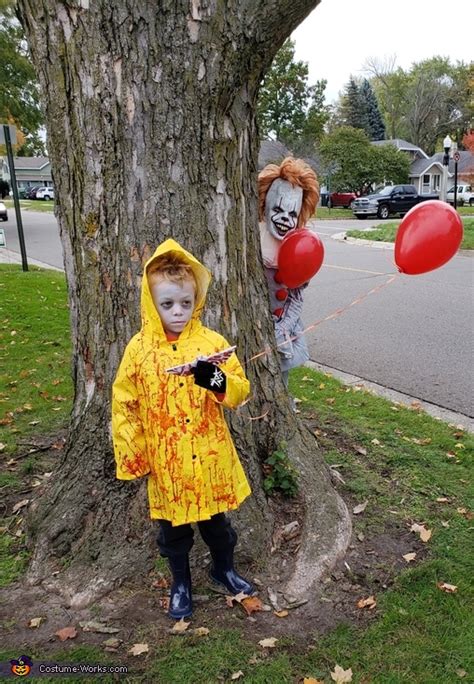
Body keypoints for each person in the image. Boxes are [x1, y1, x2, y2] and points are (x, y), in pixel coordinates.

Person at [112, 238, 254, 619]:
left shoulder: (211, 343)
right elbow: (125, 405)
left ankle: (223, 568)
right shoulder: (139, 351)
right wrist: (134, 457)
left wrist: (212, 376)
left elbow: (241, 391)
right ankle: (181, 582)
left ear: (197, 301)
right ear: (151, 303)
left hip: (209, 459)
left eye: (186, 303)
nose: (178, 312)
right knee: (173, 535)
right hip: (167, 465)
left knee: (218, 526)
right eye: (167, 304)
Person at [258, 157, 319, 387]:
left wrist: (282, 328)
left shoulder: (297, 246)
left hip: (283, 326)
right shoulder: (256, 239)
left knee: (281, 374)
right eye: (278, 209)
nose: (285, 219)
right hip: (256, 325)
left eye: (292, 214)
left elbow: (296, 298)